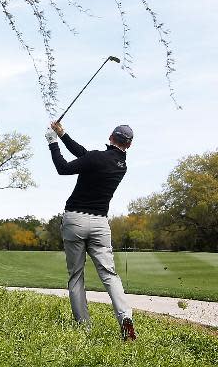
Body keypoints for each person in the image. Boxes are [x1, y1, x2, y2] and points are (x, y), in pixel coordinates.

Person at [46, 121, 137, 341]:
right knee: (109, 275)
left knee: (76, 276)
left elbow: (63, 168)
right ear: (129, 145)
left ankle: (83, 326)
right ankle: (125, 317)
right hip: (100, 225)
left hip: (75, 220)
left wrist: (52, 143)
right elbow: (86, 155)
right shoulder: (120, 165)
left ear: (110, 136)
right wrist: (63, 134)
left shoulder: (96, 158)